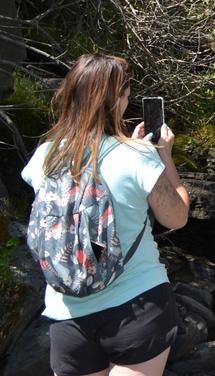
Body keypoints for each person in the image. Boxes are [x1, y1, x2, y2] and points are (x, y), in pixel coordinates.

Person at [20, 54, 190, 376]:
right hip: (137, 307)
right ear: (117, 100)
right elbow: (176, 217)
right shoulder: (137, 156)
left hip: (67, 314)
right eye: (126, 93)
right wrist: (162, 155)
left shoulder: (44, 157)